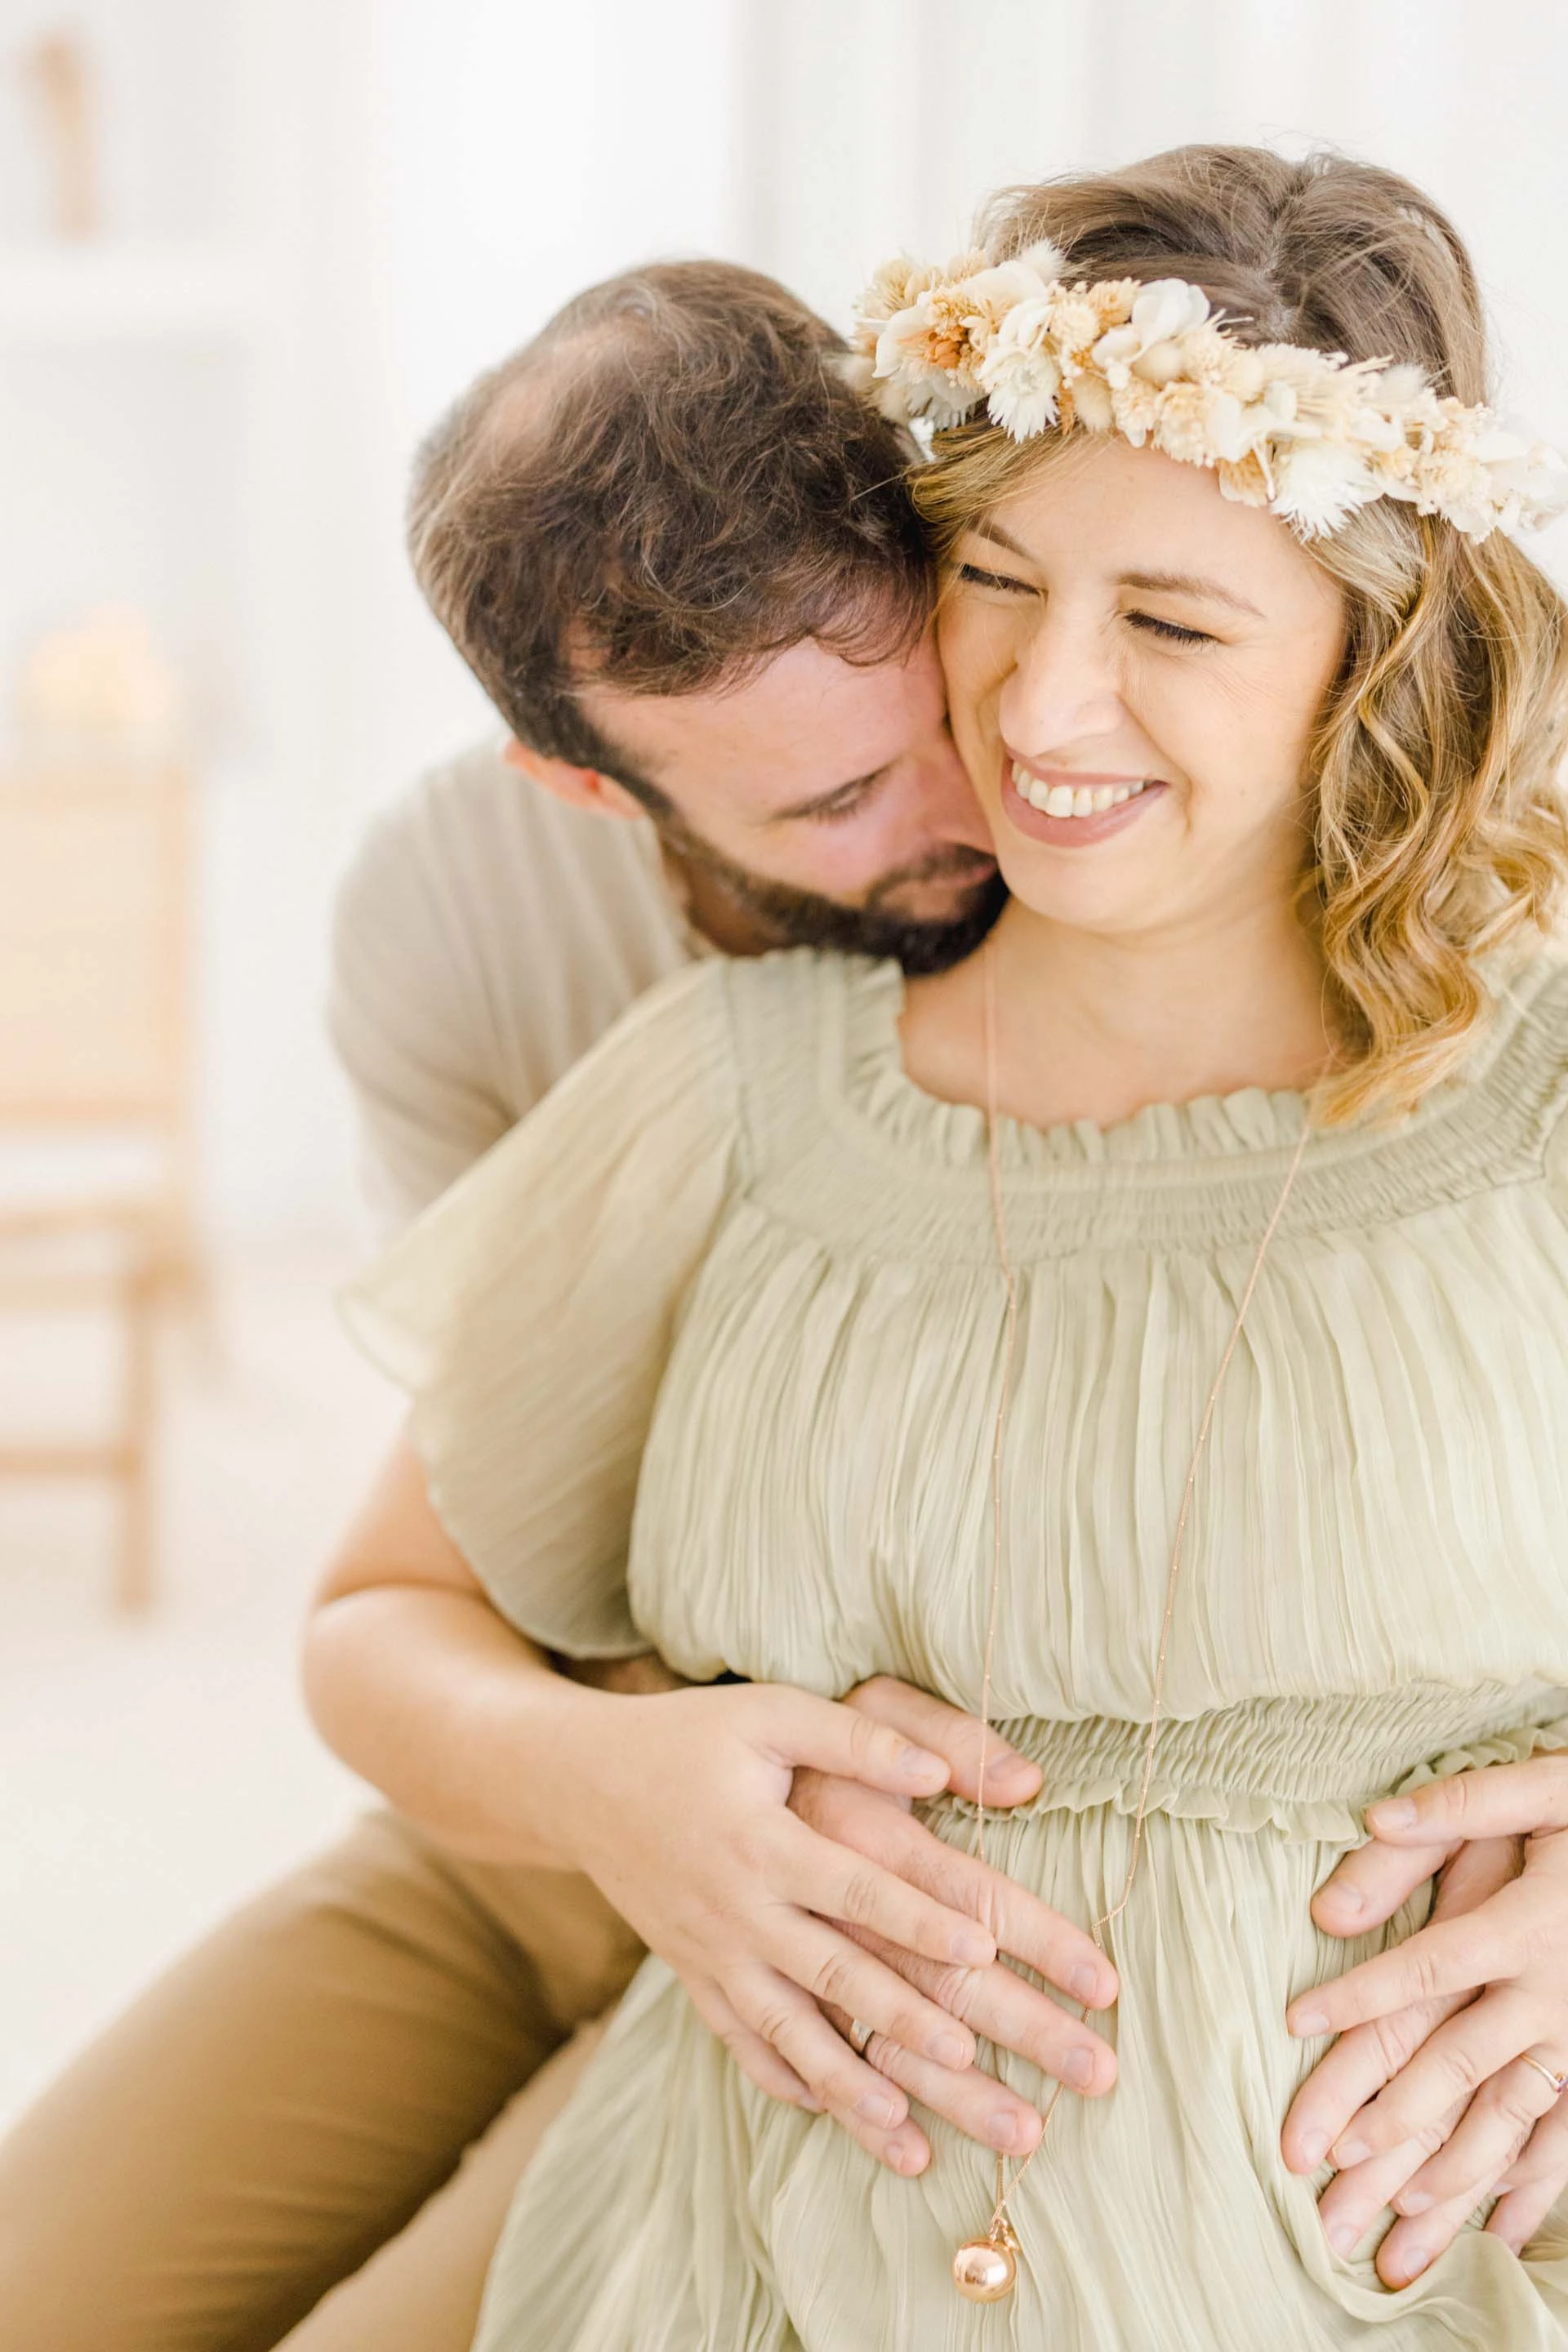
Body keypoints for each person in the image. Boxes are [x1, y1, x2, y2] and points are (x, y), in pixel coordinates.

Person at [312, 145, 1568, 2349]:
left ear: (1373, 643)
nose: (1036, 717)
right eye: (997, 580)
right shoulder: (725, 1072)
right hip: (728, 2215)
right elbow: (384, 1618)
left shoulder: (1529, 1069)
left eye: (1172, 624)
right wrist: (616, 1794)